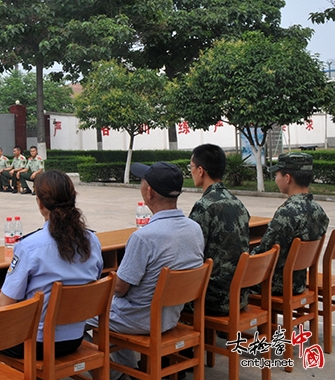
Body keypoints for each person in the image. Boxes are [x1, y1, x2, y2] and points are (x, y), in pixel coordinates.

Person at [89, 161, 204, 379]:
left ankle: (115, 374)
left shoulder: (144, 237)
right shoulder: (194, 229)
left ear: (149, 191)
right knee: (112, 308)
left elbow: (120, 288)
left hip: (141, 320)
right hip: (171, 316)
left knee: (79, 314)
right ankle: (129, 370)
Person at [0, 170, 103, 359]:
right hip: (74, 338)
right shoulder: (92, 241)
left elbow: (5, 303)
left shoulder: (29, 247)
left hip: (36, 343)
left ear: (40, 203)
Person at [252, 152, 329, 294]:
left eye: (277, 175)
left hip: (277, 285)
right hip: (299, 283)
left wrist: (243, 256)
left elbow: (266, 251)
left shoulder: (286, 213)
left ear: (287, 178)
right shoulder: (319, 211)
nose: (276, 179)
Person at [188, 144, 251, 315]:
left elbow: (190, 251)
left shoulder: (204, 206)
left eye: (191, 167)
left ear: (201, 170)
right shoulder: (238, 203)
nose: (191, 172)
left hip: (213, 299)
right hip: (240, 294)